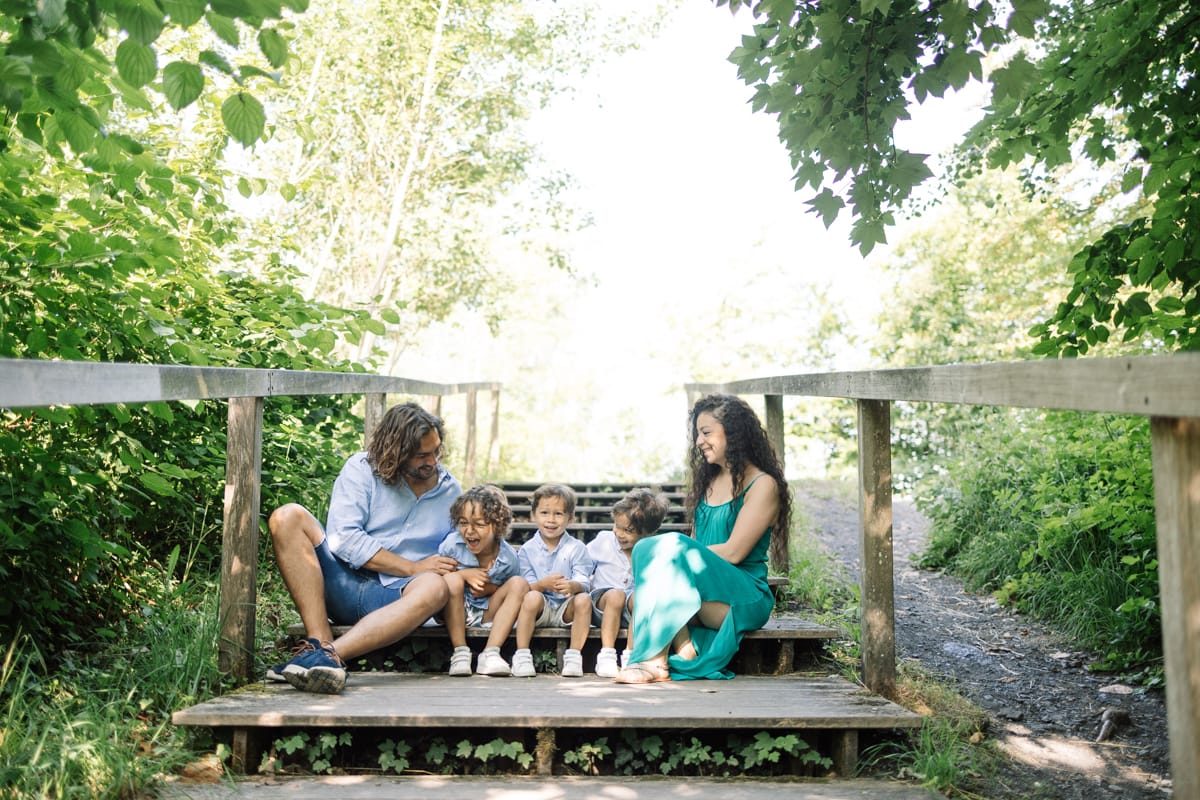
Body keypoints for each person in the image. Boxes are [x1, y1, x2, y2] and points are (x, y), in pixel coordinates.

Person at [266, 402, 462, 693]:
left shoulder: (450, 491)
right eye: (422, 455)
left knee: (435, 587)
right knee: (287, 516)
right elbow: (344, 538)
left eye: (436, 451)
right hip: (341, 582)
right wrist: (412, 566)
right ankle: (318, 640)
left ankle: (329, 656)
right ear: (397, 450)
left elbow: (457, 549)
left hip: (396, 598)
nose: (432, 461)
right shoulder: (360, 469)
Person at [614, 394, 791, 683]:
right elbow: (694, 549)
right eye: (698, 433)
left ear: (734, 434)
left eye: (706, 432)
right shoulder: (708, 481)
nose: (699, 441)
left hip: (743, 593)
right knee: (646, 547)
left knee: (670, 546)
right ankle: (675, 650)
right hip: (702, 589)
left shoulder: (764, 484)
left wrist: (677, 554)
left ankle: (653, 661)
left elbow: (734, 553)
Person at [438, 484, 529, 677]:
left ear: (498, 526)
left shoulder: (508, 558)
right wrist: (464, 575)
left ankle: (490, 653)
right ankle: (460, 652)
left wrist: (491, 588)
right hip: (455, 610)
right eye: (463, 523)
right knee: (452, 580)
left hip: (488, 612)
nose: (469, 531)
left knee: (519, 583)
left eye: (479, 524)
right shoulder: (452, 546)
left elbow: (508, 592)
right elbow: (437, 581)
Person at [587, 487, 671, 678]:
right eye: (617, 526)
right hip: (602, 604)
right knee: (616, 595)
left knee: (642, 597)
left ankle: (631, 656)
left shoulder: (652, 551)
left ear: (647, 533)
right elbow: (583, 566)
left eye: (628, 530)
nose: (619, 533)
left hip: (632, 611)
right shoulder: (604, 540)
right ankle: (607, 655)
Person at [512, 483, 594, 677]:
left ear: (570, 518)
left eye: (558, 514)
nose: (551, 520)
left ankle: (574, 656)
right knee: (531, 597)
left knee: (584, 599)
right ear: (533, 515)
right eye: (544, 513)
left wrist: (573, 585)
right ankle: (522, 655)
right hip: (541, 608)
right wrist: (542, 585)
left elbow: (584, 580)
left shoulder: (577, 548)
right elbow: (525, 586)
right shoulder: (527, 550)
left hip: (566, 608)